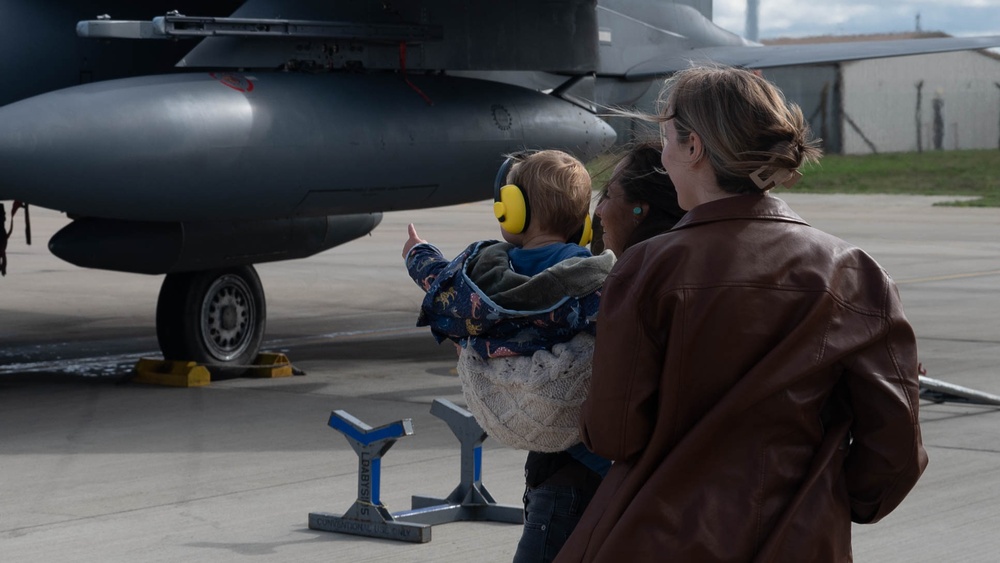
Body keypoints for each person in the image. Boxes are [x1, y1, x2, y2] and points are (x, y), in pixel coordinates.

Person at [555, 66, 928, 562]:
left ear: (693, 149)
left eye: (666, 139)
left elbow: (614, 434)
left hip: (656, 538)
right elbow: (894, 453)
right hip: (804, 540)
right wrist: (825, 500)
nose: (662, 157)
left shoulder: (647, 267)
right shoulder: (856, 272)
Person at [402, 149, 613, 563]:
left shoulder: (484, 275)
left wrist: (417, 253)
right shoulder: (590, 276)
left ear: (512, 211)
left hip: (527, 431)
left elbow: (440, 285)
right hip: (580, 448)